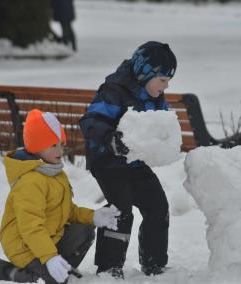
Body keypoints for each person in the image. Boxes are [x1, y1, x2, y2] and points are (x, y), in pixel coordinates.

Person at [79, 41, 177, 279]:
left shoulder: (155, 96)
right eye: (162, 79)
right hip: (107, 161)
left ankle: (154, 263)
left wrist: (164, 140)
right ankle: (108, 268)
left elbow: (158, 125)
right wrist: (112, 140)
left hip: (134, 162)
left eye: (168, 81)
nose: (166, 86)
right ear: (145, 73)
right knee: (121, 210)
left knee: (157, 206)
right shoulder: (114, 90)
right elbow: (90, 122)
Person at [0, 109, 120, 284]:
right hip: (24, 246)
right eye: (53, 145)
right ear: (36, 147)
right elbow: (31, 227)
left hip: (50, 239)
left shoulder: (56, 174)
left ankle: (60, 269)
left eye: (61, 144)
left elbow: (67, 211)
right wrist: (49, 257)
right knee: (56, 280)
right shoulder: (30, 182)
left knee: (85, 229)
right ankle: (6, 270)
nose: (60, 150)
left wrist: (93, 216)